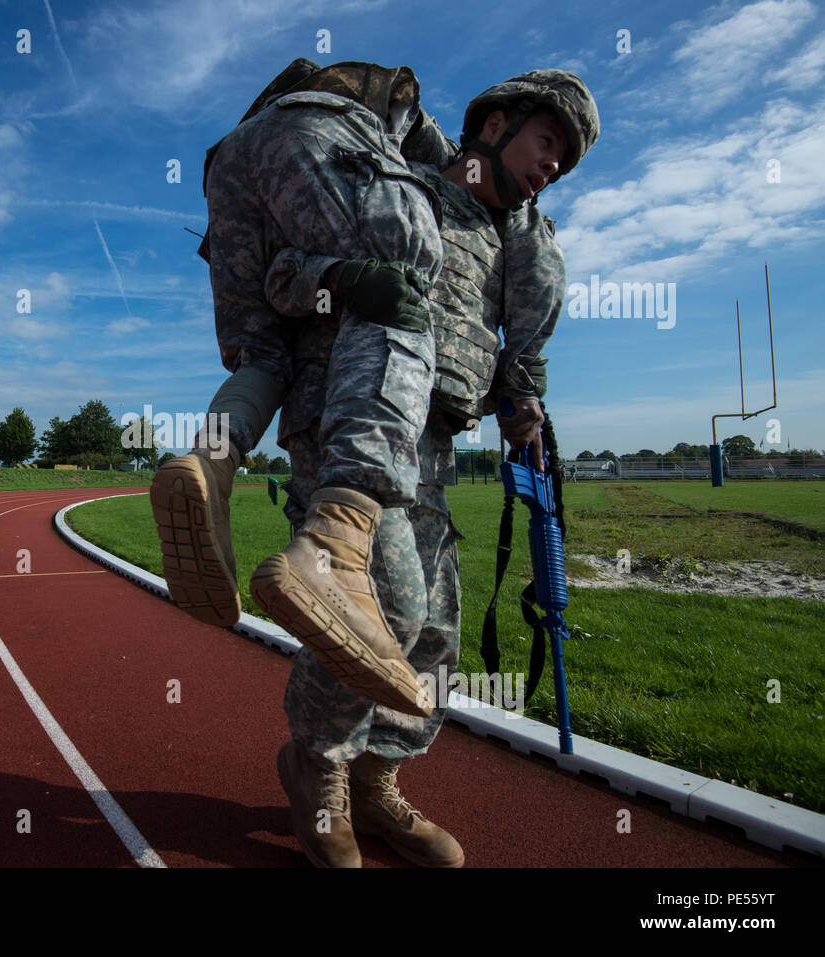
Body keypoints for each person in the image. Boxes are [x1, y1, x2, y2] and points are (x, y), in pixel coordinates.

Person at [154, 64, 599, 867]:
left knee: (432, 636)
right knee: (378, 607)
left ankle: (375, 780)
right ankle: (316, 768)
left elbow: (484, 349)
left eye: (565, 162)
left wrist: (519, 402)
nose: (552, 166)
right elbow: (286, 274)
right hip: (344, 414)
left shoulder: (509, 246)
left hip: (431, 450)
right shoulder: (402, 183)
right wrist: (344, 283)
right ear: (494, 124)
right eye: (548, 142)